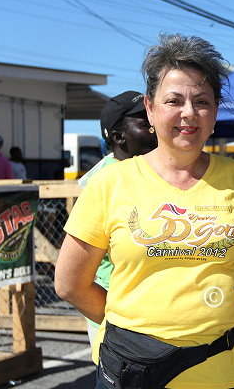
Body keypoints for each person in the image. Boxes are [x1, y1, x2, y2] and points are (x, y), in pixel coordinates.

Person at [55, 33, 234, 389]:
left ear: (215, 111)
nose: (189, 112)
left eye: (202, 101)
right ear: (150, 108)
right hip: (136, 372)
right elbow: (69, 283)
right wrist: (132, 328)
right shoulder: (109, 183)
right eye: (174, 100)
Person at [79, 90, 158, 346]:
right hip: (118, 313)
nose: (155, 126)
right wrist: (111, 320)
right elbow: (73, 275)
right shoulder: (105, 182)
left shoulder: (145, 171)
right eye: (146, 123)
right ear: (118, 136)